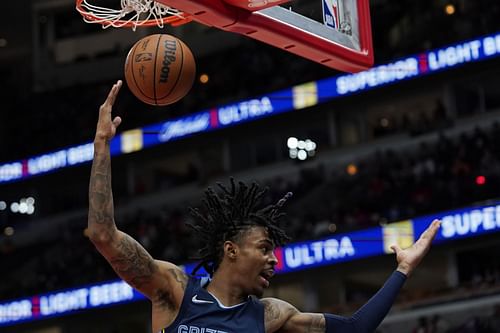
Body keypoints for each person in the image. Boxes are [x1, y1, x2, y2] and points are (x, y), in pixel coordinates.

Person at [88, 80, 442, 333]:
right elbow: (103, 235)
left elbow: (354, 328)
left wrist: (403, 270)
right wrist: (102, 147)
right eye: (264, 248)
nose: (274, 259)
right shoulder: (174, 289)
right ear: (231, 250)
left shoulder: (272, 315)